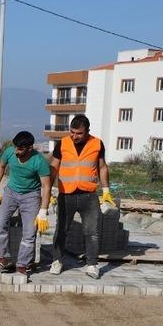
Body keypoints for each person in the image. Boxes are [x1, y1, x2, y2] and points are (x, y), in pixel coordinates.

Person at [49, 115, 114, 279]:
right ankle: (57, 261)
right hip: (66, 195)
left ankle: (92, 265)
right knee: (61, 230)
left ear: (87, 131)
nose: (74, 136)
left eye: (79, 133)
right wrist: (48, 191)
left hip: (89, 195)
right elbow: (53, 167)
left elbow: (102, 167)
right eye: (72, 132)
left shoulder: (97, 144)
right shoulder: (63, 143)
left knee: (91, 232)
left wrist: (106, 190)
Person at [0, 131, 52, 277]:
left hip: (31, 196)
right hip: (11, 192)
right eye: (15, 147)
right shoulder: (10, 152)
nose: (16, 151)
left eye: (20, 149)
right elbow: (0, 167)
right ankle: (4, 257)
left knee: (29, 232)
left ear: (30, 148)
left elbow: (46, 187)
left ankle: (23, 264)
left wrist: (43, 211)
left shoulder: (39, 161)